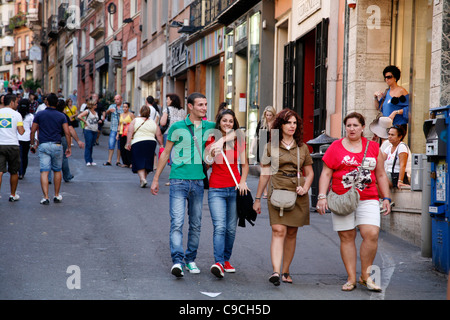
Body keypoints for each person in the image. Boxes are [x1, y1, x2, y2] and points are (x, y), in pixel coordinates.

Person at [316, 112, 391, 292]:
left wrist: (386, 197)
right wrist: (321, 196)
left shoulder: (373, 147)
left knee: (371, 233)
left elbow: (380, 174)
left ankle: (365, 276)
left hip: (368, 197)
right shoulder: (335, 147)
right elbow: (326, 173)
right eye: (348, 125)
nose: (352, 129)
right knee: (347, 237)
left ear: (362, 127)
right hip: (342, 198)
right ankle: (351, 278)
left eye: (355, 125)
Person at [151, 92, 215, 278]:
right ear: (190, 106)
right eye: (200, 105)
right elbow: (165, 153)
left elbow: (232, 129)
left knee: (195, 224)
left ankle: (190, 259)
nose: (204, 108)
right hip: (178, 180)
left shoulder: (210, 126)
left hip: (198, 181)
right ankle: (177, 261)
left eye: (205, 104)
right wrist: (156, 179)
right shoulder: (177, 127)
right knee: (177, 223)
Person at [252, 108, 314, 286]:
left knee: (292, 233)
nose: (292, 126)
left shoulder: (302, 148)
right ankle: (275, 271)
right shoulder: (270, 146)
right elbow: (265, 174)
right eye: (288, 122)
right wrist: (257, 199)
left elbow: (309, 173)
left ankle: (286, 271)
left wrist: (305, 187)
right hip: (277, 189)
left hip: (297, 192)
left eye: (295, 123)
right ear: (281, 125)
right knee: (279, 230)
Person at [204, 109, 249, 278]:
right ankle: (219, 263)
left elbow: (245, 165)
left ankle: (226, 259)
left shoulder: (239, 139)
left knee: (231, 229)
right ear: (219, 122)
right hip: (216, 189)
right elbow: (207, 163)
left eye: (230, 121)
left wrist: (243, 181)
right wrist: (210, 154)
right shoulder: (211, 138)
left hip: (235, 188)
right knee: (220, 227)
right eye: (224, 120)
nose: (227, 123)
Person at [30, 93, 72, 205]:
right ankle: (57, 195)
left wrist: (32, 144)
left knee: (44, 171)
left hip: (43, 145)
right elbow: (67, 133)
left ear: (46, 102)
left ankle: (45, 197)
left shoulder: (39, 114)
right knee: (57, 170)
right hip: (57, 145)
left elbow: (33, 130)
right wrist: (68, 147)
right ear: (57, 103)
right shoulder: (61, 116)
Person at [125, 105, 163, 187]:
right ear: (149, 113)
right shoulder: (153, 122)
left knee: (139, 161)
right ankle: (143, 179)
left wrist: (128, 143)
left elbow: (130, 132)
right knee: (147, 161)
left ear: (140, 112)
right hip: (151, 143)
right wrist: (161, 145)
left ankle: (142, 179)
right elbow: (159, 134)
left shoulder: (135, 120)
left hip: (138, 143)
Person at [0, 94, 25, 201]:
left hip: (0, 144)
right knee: (14, 171)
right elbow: (21, 131)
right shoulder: (17, 114)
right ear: (11, 102)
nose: (17, 104)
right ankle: (12, 195)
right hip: (13, 145)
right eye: (16, 102)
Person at [374, 65, 409, 133]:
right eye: (385, 77)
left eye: (389, 77)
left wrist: (396, 112)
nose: (387, 79)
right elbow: (378, 108)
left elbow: (410, 108)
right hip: (386, 127)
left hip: (398, 126)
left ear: (395, 77)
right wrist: (375, 97)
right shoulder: (387, 92)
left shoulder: (401, 91)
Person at [56, 99, 84, 181]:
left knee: (50, 158)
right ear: (64, 107)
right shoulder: (64, 116)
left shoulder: (49, 114)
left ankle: (48, 177)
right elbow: (70, 130)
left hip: (50, 138)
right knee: (64, 157)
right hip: (62, 137)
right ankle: (67, 175)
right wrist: (77, 140)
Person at [254, 106, 276, 198]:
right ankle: (265, 192)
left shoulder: (276, 123)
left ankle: (271, 190)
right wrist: (253, 148)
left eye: (270, 115)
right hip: (262, 148)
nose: (268, 117)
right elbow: (256, 136)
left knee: (271, 171)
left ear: (273, 115)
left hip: (273, 148)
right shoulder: (262, 123)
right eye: (267, 115)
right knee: (264, 171)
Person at [77, 100, 101, 166]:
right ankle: (87, 160)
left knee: (91, 145)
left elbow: (95, 120)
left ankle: (91, 160)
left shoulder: (96, 112)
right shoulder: (87, 111)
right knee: (88, 145)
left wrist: (99, 121)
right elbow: (79, 116)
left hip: (95, 130)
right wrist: (84, 121)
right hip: (88, 130)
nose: (96, 105)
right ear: (92, 105)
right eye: (95, 104)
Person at [104, 95, 123, 166]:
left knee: (119, 146)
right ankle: (109, 160)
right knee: (111, 144)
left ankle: (118, 161)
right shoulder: (112, 106)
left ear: (121, 99)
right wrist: (109, 110)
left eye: (117, 99)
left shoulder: (124, 106)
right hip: (113, 128)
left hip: (121, 129)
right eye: (115, 99)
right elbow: (106, 113)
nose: (116, 101)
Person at [17, 98, 33, 180]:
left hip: (17, 138)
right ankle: (22, 172)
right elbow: (33, 129)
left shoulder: (16, 114)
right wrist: (34, 140)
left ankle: (20, 172)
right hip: (27, 138)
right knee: (24, 156)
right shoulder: (30, 116)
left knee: (19, 156)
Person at [117, 102, 134, 168]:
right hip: (122, 133)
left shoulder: (131, 114)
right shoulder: (121, 114)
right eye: (123, 107)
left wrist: (127, 123)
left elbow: (134, 123)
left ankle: (131, 162)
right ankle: (125, 162)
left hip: (128, 133)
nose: (124, 108)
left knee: (128, 148)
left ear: (128, 108)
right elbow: (119, 124)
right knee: (122, 148)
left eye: (126, 107)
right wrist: (117, 134)